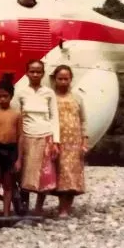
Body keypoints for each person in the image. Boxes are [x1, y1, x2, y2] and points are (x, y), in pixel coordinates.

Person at [12, 59, 60, 216]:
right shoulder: (20, 92)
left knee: (44, 174)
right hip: (26, 136)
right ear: (26, 73)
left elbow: (54, 117)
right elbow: (16, 117)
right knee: (25, 173)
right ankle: (24, 206)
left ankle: (39, 208)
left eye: (38, 71)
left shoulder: (49, 93)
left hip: (45, 135)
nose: (35, 74)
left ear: (43, 74)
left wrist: (56, 141)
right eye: (32, 71)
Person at [51, 65, 88, 218]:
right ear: (55, 79)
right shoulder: (51, 97)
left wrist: (84, 141)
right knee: (60, 174)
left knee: (72, 175)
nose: (63, 82)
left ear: (71, 79)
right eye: (60, 78)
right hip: (57, 141)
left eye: (66, 79)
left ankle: (66, 208)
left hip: (74, 141)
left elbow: (83, 120)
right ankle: (61, 206)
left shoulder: (77, 97)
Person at [0, 81, 23, 217]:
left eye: (5, 96)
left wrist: (19, 159)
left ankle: (7, 213)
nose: (2, 99)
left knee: (8, 183)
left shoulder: (17, 114)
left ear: (11, 96)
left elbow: (20, 137)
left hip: (11, 149)